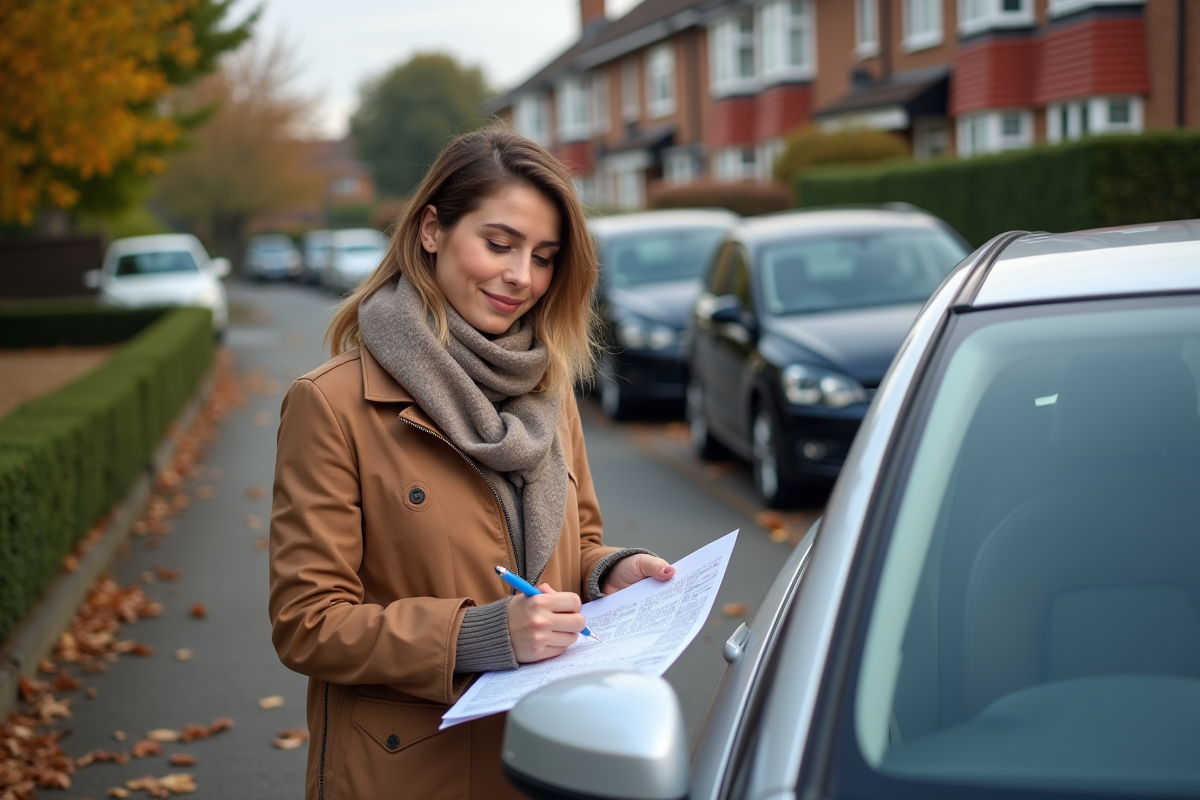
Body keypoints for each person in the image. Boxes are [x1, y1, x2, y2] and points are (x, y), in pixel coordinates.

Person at [268, 127, 676, 800]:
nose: (522, 276)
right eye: (499, 243)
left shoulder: (550, 390)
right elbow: (307, 623)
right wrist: (479, 635)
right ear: (431, 229)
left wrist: (609, 573)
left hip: (550, 758)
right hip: (411, 774)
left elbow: (574, 546)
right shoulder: (332, 404)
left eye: (544, 257)